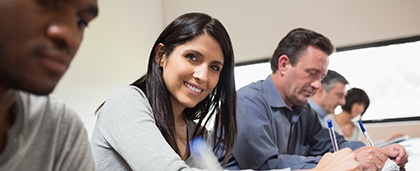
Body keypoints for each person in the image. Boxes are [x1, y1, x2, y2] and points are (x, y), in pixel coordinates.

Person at [90, 13, 362, 171]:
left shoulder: (198, 134)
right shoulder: (126, 102)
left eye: (215, 67)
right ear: (162, 55)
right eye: (192, 57)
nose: (202, 75)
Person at [223, 28, 409, 171]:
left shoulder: (302, 110)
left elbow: (332, 144)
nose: (318, 85)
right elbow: (266, 166)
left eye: (321, 77)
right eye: (312, 74)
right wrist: (344, 161)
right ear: (284, 64)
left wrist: (374, 152)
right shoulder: (247, 102)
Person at [0, 0, 98, 170]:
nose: (72, 38)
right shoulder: (127, 99)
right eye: (47, 2)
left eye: (81, 22)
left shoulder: (59, 126)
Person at [326, 88, 405, 142]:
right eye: (359, 104)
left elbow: (360, 148)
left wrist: (389, 140)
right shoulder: (327, 120)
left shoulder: (356, 129)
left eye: (364, 106)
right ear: (348, 100)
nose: (361, 109)